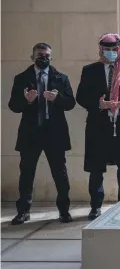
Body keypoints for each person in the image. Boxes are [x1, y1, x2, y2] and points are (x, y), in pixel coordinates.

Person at [76, 33, 120, 220]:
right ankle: (95, 207)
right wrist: (99, 104)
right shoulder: (90, 70)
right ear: (100, 49)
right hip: (98, 126)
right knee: (96, 168)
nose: (110, 53)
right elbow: (80, 96)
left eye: (114, 49)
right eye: (106, 49)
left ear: (119, 48)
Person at [8, 43, 75, 225]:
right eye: (39, 55)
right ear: (32, 57)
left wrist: (57, 99)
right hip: (31, 133)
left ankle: (64, 211)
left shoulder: (61, 78)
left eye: (46, 55)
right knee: (27, 173)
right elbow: (13, 106)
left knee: (60, 174)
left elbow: (71, 103)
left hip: (55, 133)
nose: (43, 58)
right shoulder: (21, 78)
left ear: (51, 57)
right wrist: (26, 100)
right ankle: (23, 212)